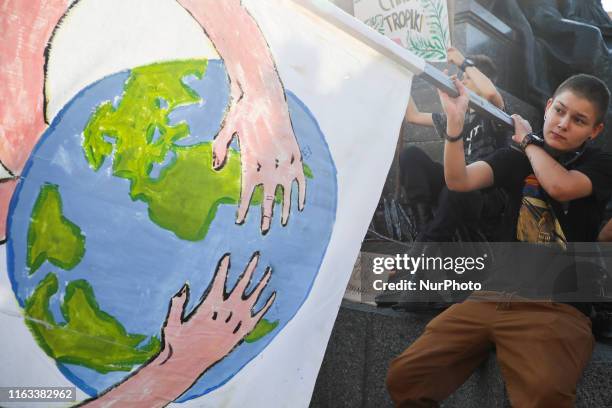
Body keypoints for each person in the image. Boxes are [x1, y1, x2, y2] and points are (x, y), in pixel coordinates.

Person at [386, 73, 612, 407]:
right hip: (488, 298)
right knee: (406, 376)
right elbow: (458, 180)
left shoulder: (599, 163)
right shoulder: (517, 158)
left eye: (578, 120)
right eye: (560, 111)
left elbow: (560, 186)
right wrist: (455, 123)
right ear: (548, 107)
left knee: (544, 395)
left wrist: (529, 143)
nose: (563, 124)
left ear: (595, 131)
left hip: (556, 308)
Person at [399, 48, 507, 242]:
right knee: (411, 155)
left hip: (482, 195)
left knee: (456, 186)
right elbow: (413, 116)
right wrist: (402, 72)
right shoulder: (456, 116)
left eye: (468, 78)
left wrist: (463, 62)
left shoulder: (496, 115)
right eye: (462, 77)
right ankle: (422, 230)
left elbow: (490, 94)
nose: (462, 80)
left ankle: (424, 249)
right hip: (454, 186)